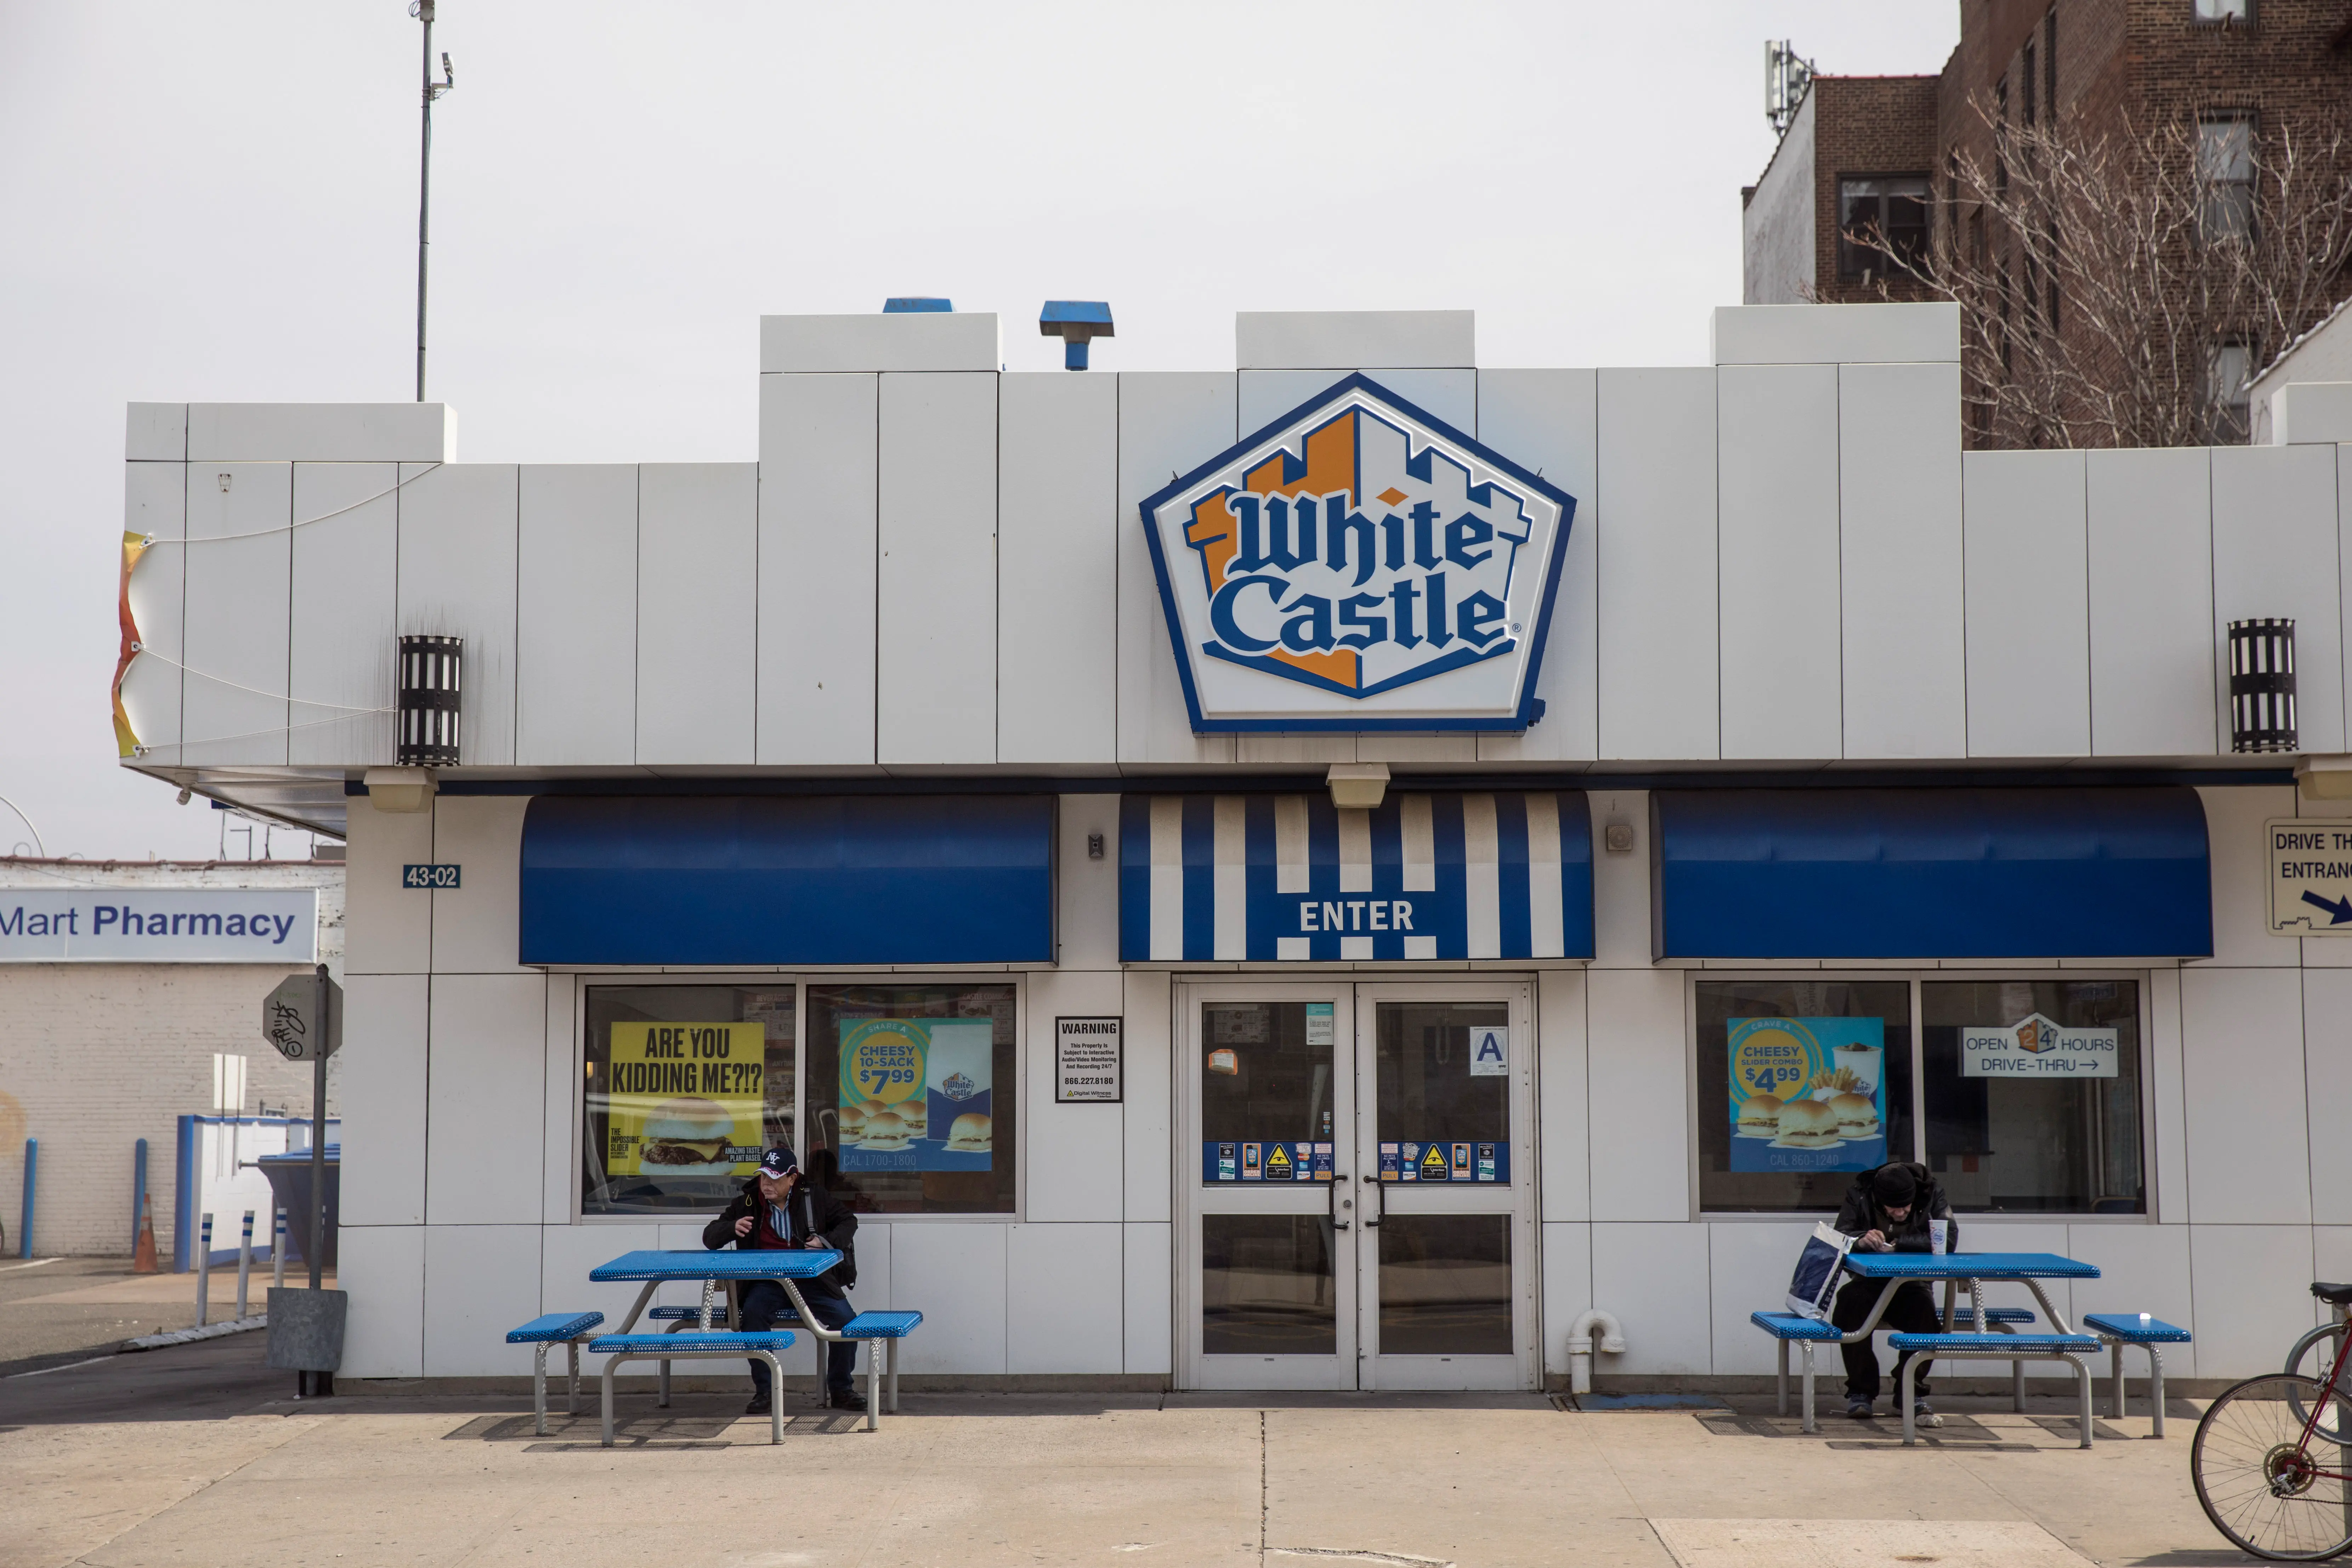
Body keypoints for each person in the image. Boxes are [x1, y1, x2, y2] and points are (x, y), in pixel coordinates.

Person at [702, 1145, 863, 1415]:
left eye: (775, 1178)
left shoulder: (813, 1197)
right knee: (752, 1314)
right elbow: (709, 1237)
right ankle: (765, 1391)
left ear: (792, 1177)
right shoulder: (748, 1201)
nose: (767, 1184)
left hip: (813, 1279)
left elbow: (849, 1221)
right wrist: (732, 1228)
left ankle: (841, 1389)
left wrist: (825, 1242)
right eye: (764, 1176)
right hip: (768, 1282)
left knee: (846, 1321)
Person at [1829, 1160, 1956, 1425]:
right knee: (1848, 1305)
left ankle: (1909, 1391)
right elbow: (1840, 1235)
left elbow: (1948, 1239)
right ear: (1878, 1199)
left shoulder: (1932, 1191)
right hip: (1869, 1282)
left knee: (1924, 1314)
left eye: (1906, 1207)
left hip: (1913, 1282)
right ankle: (1861, 1391)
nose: (1900, 1213)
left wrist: (1901, 1244)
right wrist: (1861, 1239)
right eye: (1893, 1208)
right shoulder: (1860, 1193)